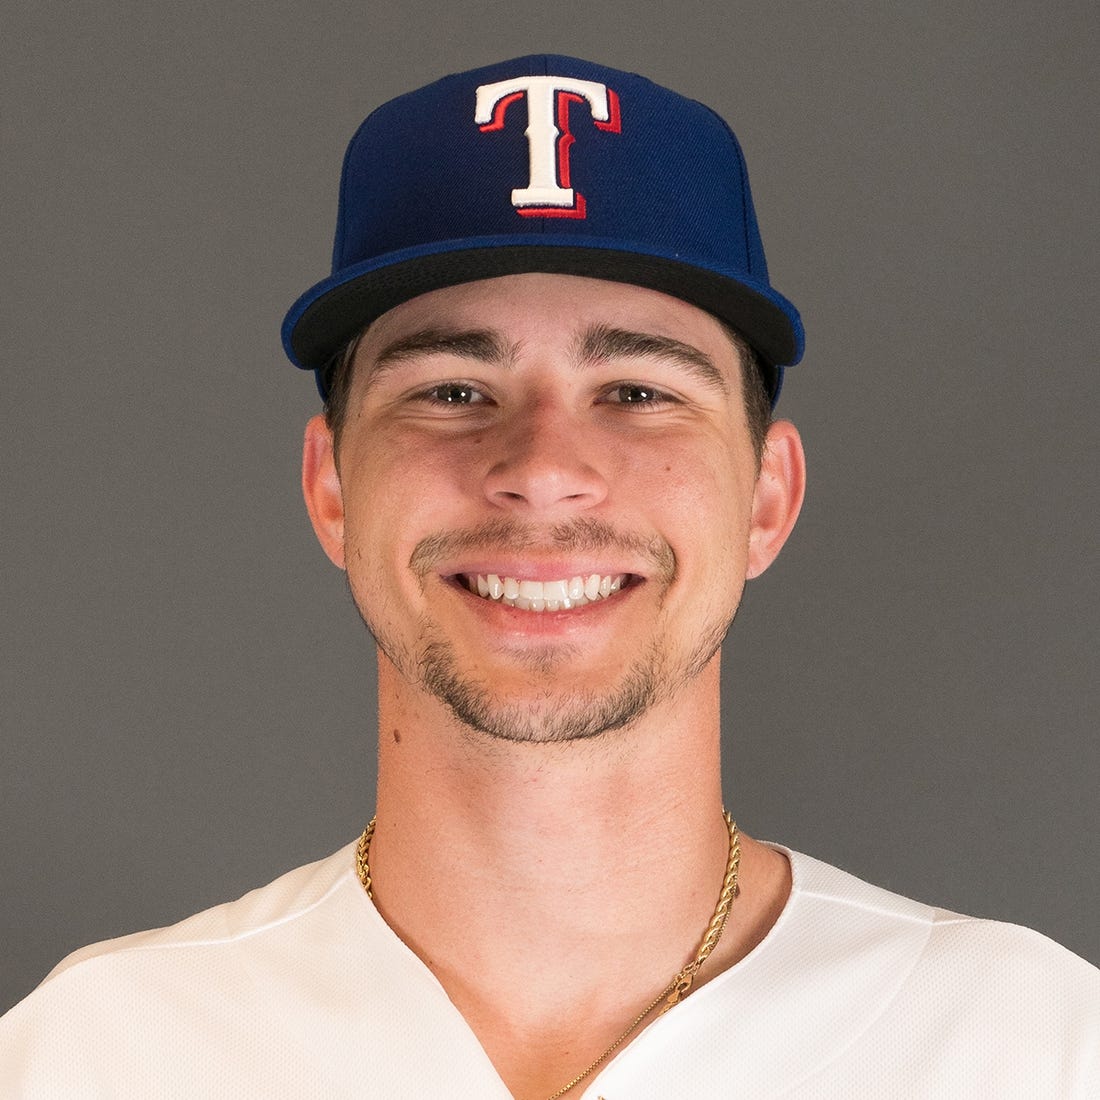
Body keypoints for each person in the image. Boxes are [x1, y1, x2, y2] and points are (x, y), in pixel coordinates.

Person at [1, 54, 1097, 1099]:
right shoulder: (97, 1052)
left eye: (635, 390)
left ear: (765, 498)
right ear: (332, 488)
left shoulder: (1030, 1043)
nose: (539, 470)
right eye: (449, 390)